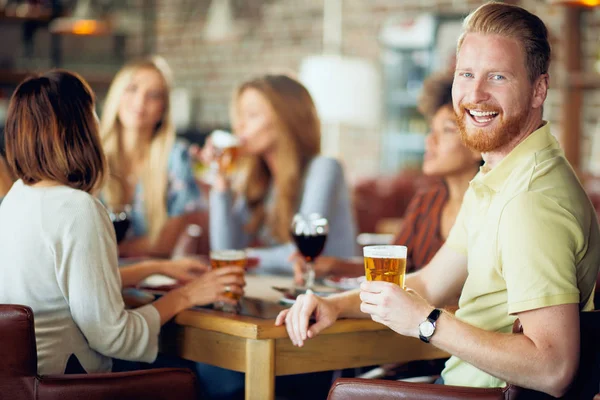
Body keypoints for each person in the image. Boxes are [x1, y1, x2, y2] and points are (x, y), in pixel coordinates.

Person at [275, 3, 600, 397]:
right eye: (466, 74)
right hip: (454, 384)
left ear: (539, 90)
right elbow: (430, 282)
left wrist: (426, 323)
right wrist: (334, 305)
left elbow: (553, 367)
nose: (475, 94)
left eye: (497, 76)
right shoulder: (500, 176)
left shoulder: (531, 200)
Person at [0, 70, 245, 375]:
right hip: (70, 383)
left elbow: (64, 286)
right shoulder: (79, 210)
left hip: (23, 381)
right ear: (81, 129)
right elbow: (115, 338)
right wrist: (187, 295)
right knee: (201, 375)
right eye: (92, 114)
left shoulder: (15, 199)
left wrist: (155, 270)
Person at [292, 71, 482, 286]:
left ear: (479, 145)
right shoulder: (427, 202)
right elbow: (391, 269)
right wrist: (333, 265)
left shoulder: (489, 209)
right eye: (431, 130)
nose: (430, 140)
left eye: (447, 130)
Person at [204, 74, 357, 273]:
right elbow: (223, 253)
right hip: (281, 292)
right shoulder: (259, 180)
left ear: (285, 119)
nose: (239, 125)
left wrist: (241, 257)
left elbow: (302, 253)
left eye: (251, 115)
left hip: (330, 293)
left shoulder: (325, 168)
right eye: (239, 116)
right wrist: (220, 180)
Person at [100, 56, 205, 258]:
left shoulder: (176, 158)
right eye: (132, 89)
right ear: (117, 94)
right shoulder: (90, 155)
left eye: (154, 95)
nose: (140, 101)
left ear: (163, 108)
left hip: (151, 280)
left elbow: (162, 246)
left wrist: (103, 253)